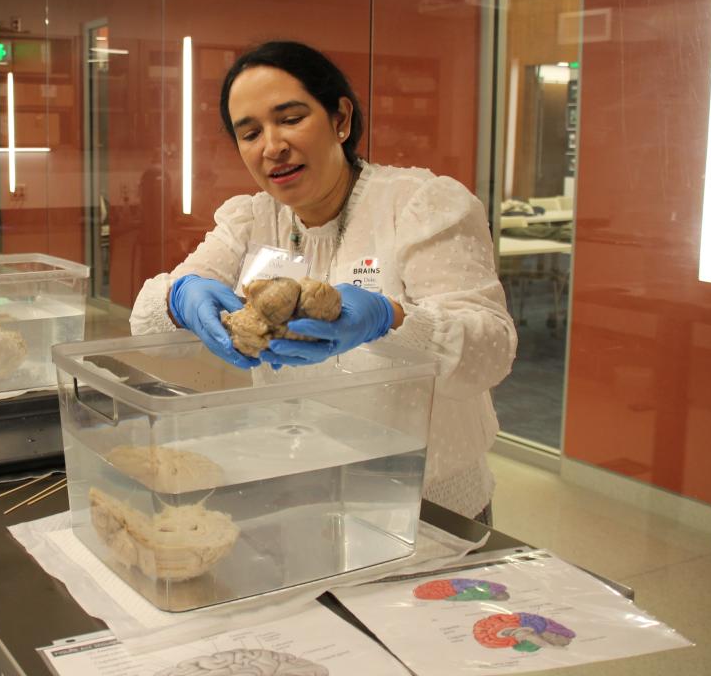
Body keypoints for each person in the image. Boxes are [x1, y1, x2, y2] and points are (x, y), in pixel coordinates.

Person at [130, 40, 517, 522]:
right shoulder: (251, 220)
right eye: (249, 133)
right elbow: (148, 332)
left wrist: (392, 317)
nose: (272, 146)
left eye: (290, 119)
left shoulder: (419, 205)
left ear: (341, 120)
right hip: (300, 489)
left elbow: (492, 351)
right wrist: (179, 297)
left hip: (426, 501)